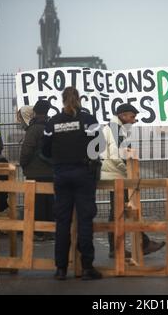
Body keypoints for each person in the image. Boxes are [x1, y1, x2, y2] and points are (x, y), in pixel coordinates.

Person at [42, 86, 103, 281]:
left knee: (62, 222)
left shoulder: (53, 122)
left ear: (62, 100)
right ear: (79, 99)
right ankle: (86, 268)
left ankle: (61, 269)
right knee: (85, 221)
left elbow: (45, 149)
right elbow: (100, 145)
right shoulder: (88, 120)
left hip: (61, 174)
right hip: (84, 174)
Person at [101, 103, 165, 258]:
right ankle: (137, 245)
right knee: (123, 211)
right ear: (123, 115)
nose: (134, 120)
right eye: (132, 116)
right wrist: (129, 173)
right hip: (117, 176)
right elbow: (117, 155)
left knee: (120, 211)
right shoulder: (115, 129)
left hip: (113, 175)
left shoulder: (113, 127)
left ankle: (125, 247)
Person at [20, 100, 54, 241]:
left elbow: (27, 150)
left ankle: (38, 233)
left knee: (37, 202)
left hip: (35, 171)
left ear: (35, 111)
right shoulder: (52, 126)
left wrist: (23, 164)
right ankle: (51, 231)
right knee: (50, 202)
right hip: (51, 171)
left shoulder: (33, 129)